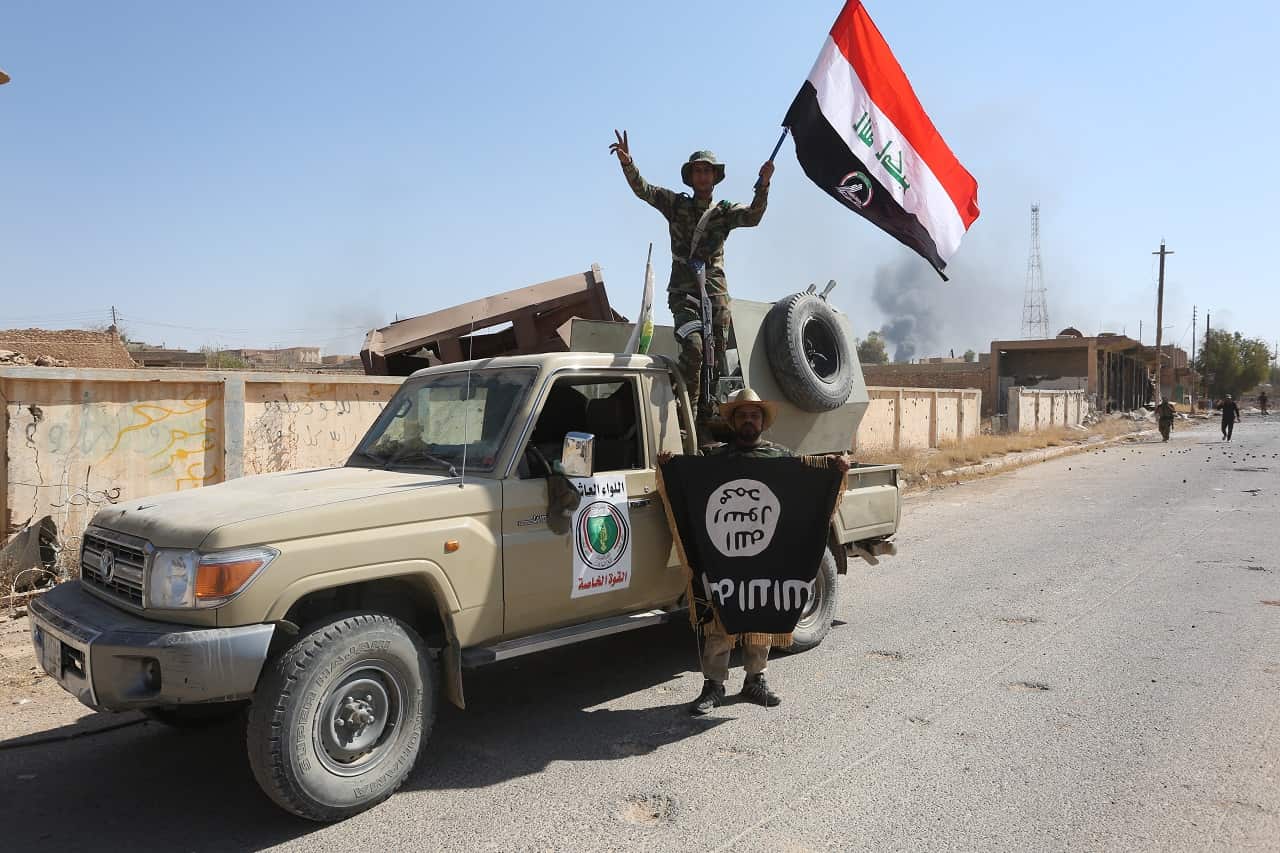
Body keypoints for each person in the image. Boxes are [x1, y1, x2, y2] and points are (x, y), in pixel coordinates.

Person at [659, 388, 849, 716]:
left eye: (755, 415)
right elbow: (690, 484)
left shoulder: (781, 458)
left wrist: (836, 469)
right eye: (743, 415)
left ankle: (754, 681)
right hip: (725, 558)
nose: (749, 421)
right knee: (721, 620)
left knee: (762, 616)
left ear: (763, 422)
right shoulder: (715, 460)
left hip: (766, 555)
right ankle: (713, 687)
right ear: (733, 422)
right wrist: (669, 466)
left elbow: (805, 486)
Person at [610, 130, 774, 417]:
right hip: (684, 293)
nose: (702, 176)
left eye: (707, 171)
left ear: (715, 177)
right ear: (690, 176)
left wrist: (764, 184)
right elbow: (644, 191)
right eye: (697, 171)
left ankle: (710, 414)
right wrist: (628, 164)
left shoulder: (723, 212)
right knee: (695, 349)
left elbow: (753, 217)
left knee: (718, 355)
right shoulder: (676, 204)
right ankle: (687, 414)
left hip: (715, 292)